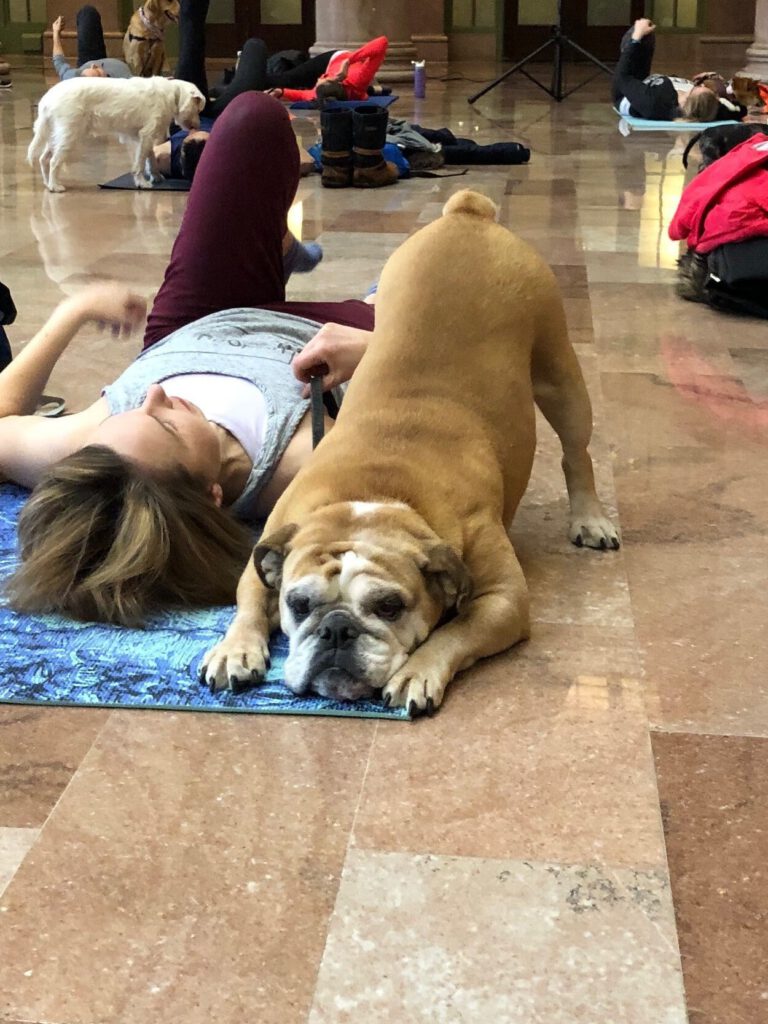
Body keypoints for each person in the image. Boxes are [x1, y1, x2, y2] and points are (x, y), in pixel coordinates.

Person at [2, 92, 373, 627]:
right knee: (443, 284)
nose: (154, 395)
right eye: (169, 425)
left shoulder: (90, 449)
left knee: (253, 118)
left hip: (195, 322)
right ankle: (286, 260)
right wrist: (374, 348)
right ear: (213, 494)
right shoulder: (304, 468)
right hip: (312, 335)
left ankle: (273, 250)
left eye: (134, 408)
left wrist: (74, 309)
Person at [612, 18, 746, 123]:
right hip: (654, 85)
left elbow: (622, 77)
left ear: (685, 101)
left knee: (643, 35)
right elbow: (741, 110)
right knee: (648, 32)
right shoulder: (713, 110)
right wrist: (716, 81)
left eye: (697, 87)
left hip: (626, 91)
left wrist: (636, 38)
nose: (700, 84)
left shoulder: (654, 103)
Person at [265, 36, 389, 105]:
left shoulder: (320, 91)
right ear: (336, 80)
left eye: (320, 80)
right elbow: (382, 42)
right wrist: (348, 61)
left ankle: (373, 90)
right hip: (334, 59)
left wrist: (279, 91)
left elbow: (303, 95)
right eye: (323, 78)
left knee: (291, 81)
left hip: (338, 81)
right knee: (290, 78)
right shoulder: (358, 79)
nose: (319, 78)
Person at [51, 7, 132, 80]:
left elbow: (59, 61)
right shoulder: (124, 83)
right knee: (88, 13)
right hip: (122, 71)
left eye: (93, 69)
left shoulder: (74, 77)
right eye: (98, 73)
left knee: (87, 13)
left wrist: (56, 33)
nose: (94, 65)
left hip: (87, 60)